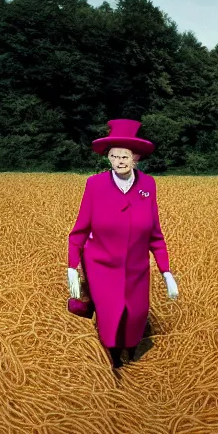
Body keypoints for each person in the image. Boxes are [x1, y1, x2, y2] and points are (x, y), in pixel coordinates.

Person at [66, 118, 179, 371]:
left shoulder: (148, 185)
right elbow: (79, 231)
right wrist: (72, 268)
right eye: (114, 156)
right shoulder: (94, 185)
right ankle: (114, 359)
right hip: (102, 265)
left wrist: (166, 271)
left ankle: (131, 350)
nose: (119, 161)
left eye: (125, 156)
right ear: (108, 158)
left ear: (136, 157)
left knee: (137, 314)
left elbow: (155, 234)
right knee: (111, 314)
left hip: (137, 267)